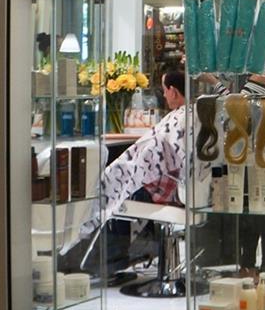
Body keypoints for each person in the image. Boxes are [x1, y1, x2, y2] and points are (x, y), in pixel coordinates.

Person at [71, 68, 186, 253]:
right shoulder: (188, 117)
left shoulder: (177, 120)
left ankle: (113, 257)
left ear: (173, 91)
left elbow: (145, 161)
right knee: (121, 185)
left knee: (117, 194)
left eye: (165, 90)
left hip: (166, 190)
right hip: (178, 188)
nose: (164, 96)